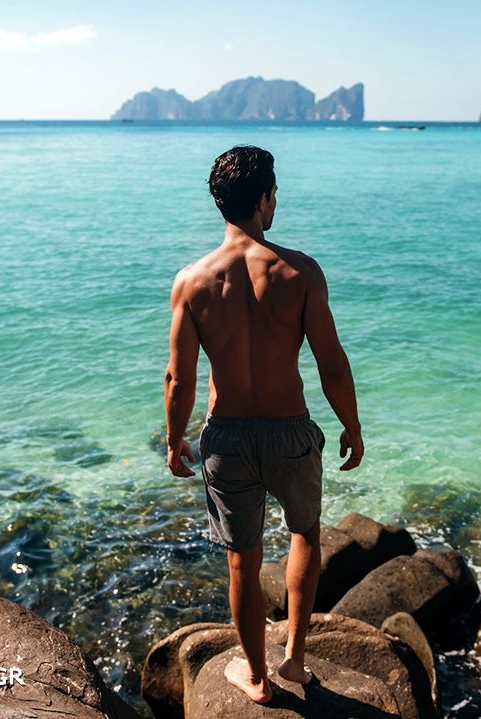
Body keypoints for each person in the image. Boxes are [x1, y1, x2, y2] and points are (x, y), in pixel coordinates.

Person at [163, 145, 364, 704]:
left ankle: (256, 677)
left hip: (226, 437)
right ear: (265, 198)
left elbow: (179, 378)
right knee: (305, 535)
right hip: (291, 431)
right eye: (275, 195)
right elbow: (332, 362)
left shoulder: (192, 281)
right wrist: (351, 425)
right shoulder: (299, 271)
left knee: (242, 561)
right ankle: (295, 662)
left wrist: (176, 437)